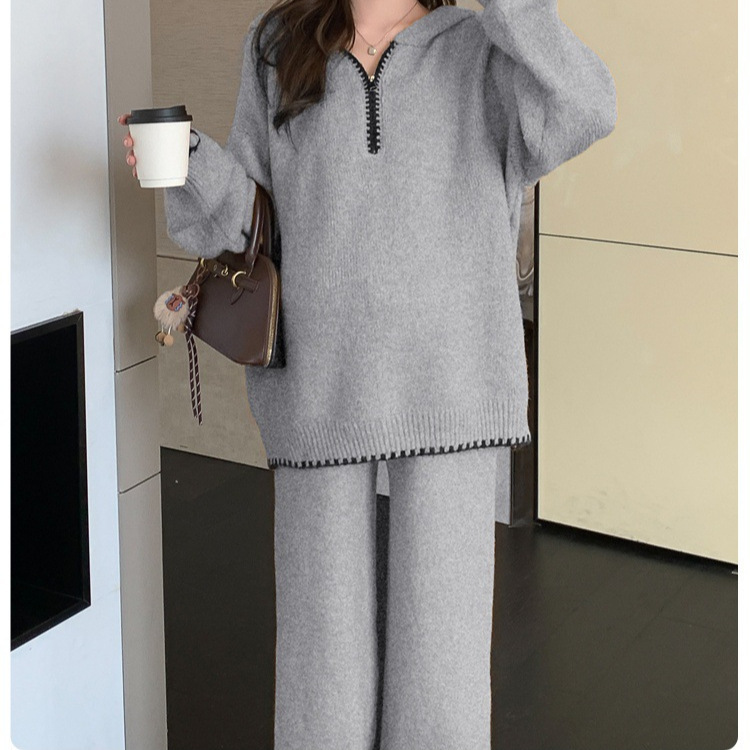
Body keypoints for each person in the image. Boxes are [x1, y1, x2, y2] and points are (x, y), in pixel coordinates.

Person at [119, 0, 616, 746]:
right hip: (319, 391)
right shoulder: (279, 42)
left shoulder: (484, 45)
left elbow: (588, 106)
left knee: (441, 667)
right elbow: (252, 217)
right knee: (322, 661)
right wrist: (185, 162)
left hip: (452, 391)